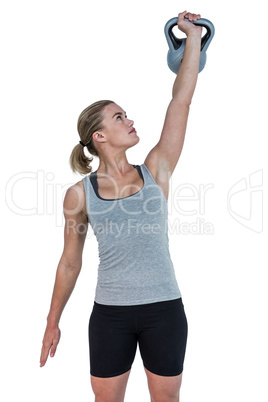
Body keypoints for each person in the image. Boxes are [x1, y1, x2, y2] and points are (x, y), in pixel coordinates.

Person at [40, 10, 202, 402]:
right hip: (109, 316)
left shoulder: (156, 169)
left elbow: (180, 102)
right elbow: (69, 262)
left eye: (126, 114)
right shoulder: (80, 194)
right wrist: (52, 321)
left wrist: (193, 39)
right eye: (119, 117)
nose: (129, 121)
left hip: (164, 310)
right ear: (99, 136)